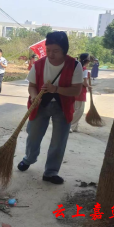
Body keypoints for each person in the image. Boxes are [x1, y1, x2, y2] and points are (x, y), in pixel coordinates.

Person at [17, 31, 83, 185]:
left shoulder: (74, 65)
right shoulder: (39, 64)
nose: (51, 55)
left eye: (55, 51)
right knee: (33, 135)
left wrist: (56, 89)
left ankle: (51, 172)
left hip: (63, 107)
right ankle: (29, 158)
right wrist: (34, 96)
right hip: (40, 105)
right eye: (48, 51)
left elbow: (76, 91)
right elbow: (32, 86)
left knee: (59, 141)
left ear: (64, 50)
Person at [71, 53, 91, 133]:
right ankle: (71, 126)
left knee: (74, 108)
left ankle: (75, 126)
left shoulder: (76, 66)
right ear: (87, 60)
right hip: (80, 91)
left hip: (73, 90)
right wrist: (89, 86)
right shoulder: (84, 69)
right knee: (79, 110)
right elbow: (84, 82)